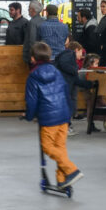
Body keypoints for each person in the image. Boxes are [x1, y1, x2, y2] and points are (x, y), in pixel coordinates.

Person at [24, 41, 82, 189]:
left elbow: (31, 100)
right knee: (60, 147)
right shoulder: (56, 71)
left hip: (48, 119)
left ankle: (71, 170)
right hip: (63, 115)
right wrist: (69, 114)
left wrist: (29, 116)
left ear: (33, 58)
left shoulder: (33, 76)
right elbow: (65, 92)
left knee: (48, 147)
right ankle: (62, 179)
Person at [22, 0, 45, 67]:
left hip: (34, 56)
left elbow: (32, 40)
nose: (28, 10)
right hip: (42, 54)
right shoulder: (43, 21)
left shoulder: (32, 22)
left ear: (32, 10)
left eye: (29, 8)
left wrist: (32, 56)